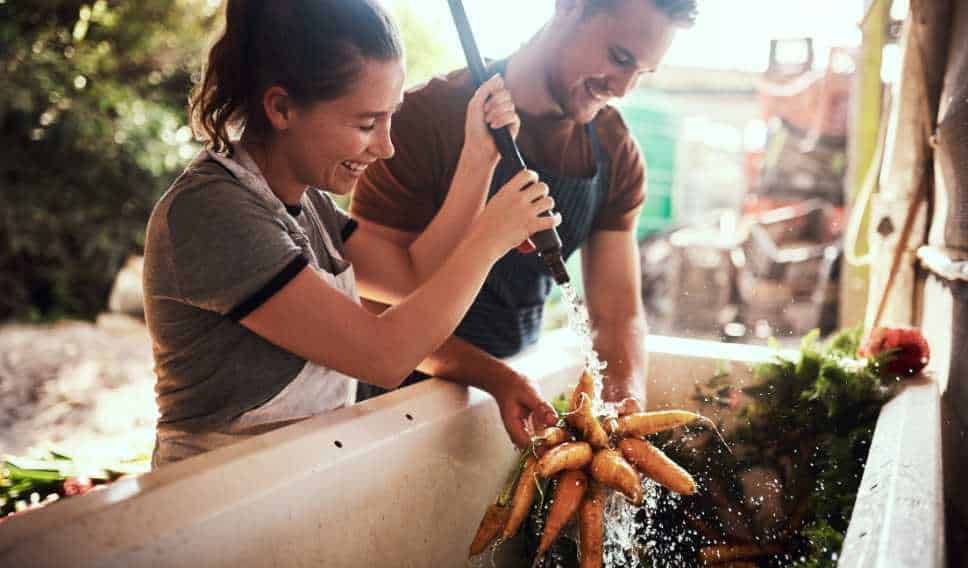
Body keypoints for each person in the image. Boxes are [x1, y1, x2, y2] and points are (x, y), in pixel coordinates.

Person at [142, 0, 560, 467]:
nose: (385, 146)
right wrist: (490, 238)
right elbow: (383, 355)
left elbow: (412, 274)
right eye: (366, 123)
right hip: (214, 497)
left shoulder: (311, 206)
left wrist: (480, 156)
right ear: (281, 108)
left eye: (390, 117)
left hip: (296, 477)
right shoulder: (211, 213)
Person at [352, 0, 698, 427]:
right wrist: (493, 376)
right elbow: (369, 306)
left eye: (641, 73)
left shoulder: (615, 151)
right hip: (398, 409)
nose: (623, 88)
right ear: (569, 7)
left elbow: (617, 315)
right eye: (619, 58)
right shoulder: (423, 120)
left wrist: (626, 403)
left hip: (512, 398)